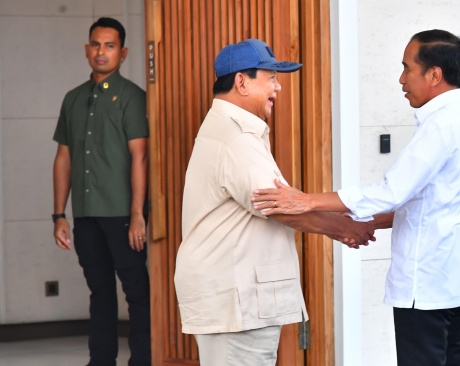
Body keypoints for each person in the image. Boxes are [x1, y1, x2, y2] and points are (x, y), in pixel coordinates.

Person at [251, 29, 460, 366]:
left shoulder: (441, 126)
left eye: (408, 68)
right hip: (459, 281)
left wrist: (307, 200)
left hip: (428, 286)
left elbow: (391, 192)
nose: (401, 78)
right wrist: (362, 223)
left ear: (434, 75)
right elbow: (434, 201)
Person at [173, 38, 375, 366]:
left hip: (236, 297)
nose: (278, 88)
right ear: (241, 81)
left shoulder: (232, 130)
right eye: (271, 78)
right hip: (236, 298)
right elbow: (280, 206)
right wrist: (343, 227)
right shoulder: (236, 136)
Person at [52, 17, 150, 366]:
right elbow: (63, 158)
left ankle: (143, 360)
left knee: (137, 293)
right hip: (87, 214)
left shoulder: (132, 98)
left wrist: (138, 214)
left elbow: (140, 157)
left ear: (123, 53)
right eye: (95, 45)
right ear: (86, 50)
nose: (101, 52)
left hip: (124, 214)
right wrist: (59, 214)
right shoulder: (73, 99)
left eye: (109, 46)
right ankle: (101, 360)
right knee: (100, 293)